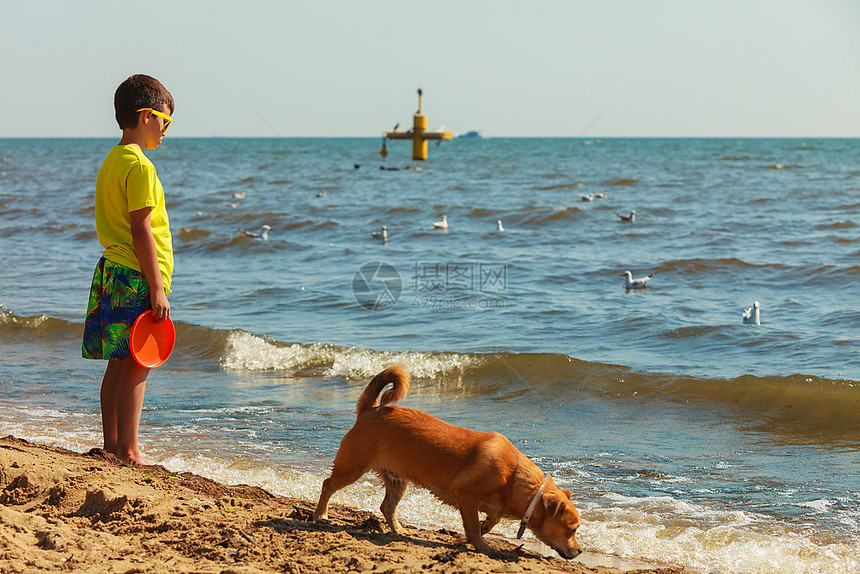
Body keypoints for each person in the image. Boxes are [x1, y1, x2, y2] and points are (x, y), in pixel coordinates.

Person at [82, 74, 175, 465]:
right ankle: (130, 449)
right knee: (138, 363)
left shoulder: (112, 159)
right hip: (134, 274)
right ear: (147, 116)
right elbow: (141, 229)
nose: (166, 132)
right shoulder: (140, 167)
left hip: (112, 270)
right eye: (165, 122)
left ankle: (112, 446)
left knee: (118, 363)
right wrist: (157, 287)